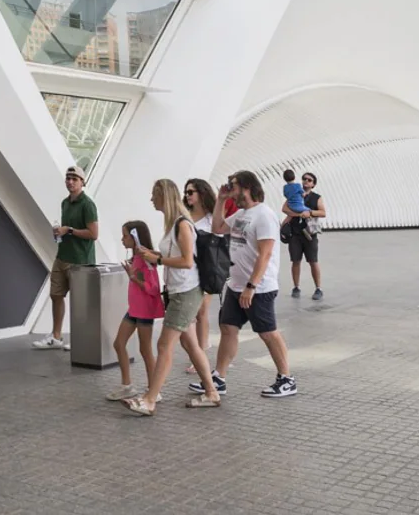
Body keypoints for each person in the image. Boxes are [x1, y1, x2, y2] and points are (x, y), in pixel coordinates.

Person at [193, 170, 296, 400]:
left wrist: (252, 285)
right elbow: (217, 229)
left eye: (234, 185)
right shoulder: (241, 214)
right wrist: (220, 200)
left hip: (258, 288)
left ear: (247, 187)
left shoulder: (264, 215)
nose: (231, 189)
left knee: (268, 332)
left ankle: (286, 379)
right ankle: (218, 378)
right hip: (236, 285)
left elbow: (266, 253)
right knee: (228, 328)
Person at [125, 179, 220, 416]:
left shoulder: (182, 225)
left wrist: (157, 260)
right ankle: (211, 392)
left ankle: (150, 399)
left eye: (153, 195)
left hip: (186, 293)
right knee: (189, 343)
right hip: (178, 291)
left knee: (164, 345)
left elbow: (187, 261)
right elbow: (175, 255)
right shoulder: (173, 224)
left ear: (163, 196)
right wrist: (153, 254)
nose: (151, 200)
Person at [32, 166, 98, 351]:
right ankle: (56, 336)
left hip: (80, 260)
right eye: (68, 178)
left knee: (80, 301)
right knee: (56, 295)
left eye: (74, 178)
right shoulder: (65, 203)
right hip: (62, 256)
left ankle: (82, 338)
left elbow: (94, 234)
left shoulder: (88, 204)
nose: (70, 181)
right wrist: (59, 232)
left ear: (82, 182)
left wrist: (69, 230)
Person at [106, 221, 162, 402]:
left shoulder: (146, 258)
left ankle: (154, 390)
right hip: (135, 309)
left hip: (144, 310)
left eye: (125, 236)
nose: (122, 239)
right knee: (119, 343)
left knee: (145, 349)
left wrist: (132, 276)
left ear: (135, 237)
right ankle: (127, 386)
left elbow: (153, 288)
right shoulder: (137, 258)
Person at [183, 178, 218, 371]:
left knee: (201, 311)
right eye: (186, 192)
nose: (187, 196)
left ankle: (200, 353)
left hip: (206, 269)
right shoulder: (185, 217)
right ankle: (198, 348)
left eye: (191, 192)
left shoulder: (212, 219)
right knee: (192, 314)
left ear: (201, 194)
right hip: (186, 270)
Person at [286, 172, 326, 300]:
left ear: (313, 184)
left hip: (310, 234)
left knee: (313, 261)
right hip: (295, 234)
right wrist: (298, 215)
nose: (306, 181)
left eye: (309, 180)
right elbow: (284, 209)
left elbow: (323, 212)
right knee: (295, 261)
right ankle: (296, 287)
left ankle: (318, 288)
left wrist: (310, 213)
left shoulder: (317, 198)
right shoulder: (294, 193)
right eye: (304, 179)